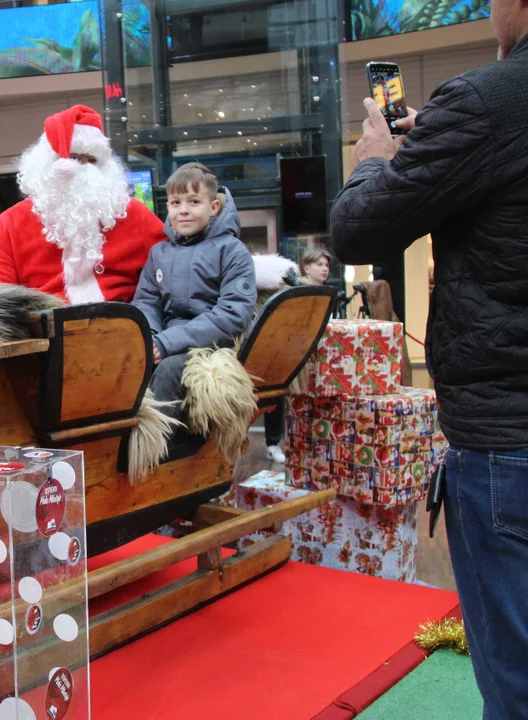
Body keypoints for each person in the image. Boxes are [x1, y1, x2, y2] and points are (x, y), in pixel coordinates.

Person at [330, 5, 528, 714]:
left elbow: (358, 227)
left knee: (516, 681)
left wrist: (376, 164)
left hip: (508, 443)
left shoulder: (487, 101)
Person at [0, 105, 165, 304]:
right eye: (73, 157)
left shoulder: (133, 214)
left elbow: (173, 263)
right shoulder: (11, 223)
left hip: (124, 326)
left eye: (91, 160)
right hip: (45, 328)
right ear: (47, 164)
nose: (83, 168)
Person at [131, 162, 257, 424]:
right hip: (163, 339)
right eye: (176, 203)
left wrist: (167, 343)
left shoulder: (232, 251)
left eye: (194, 201)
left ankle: (160, 451)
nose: (184, 211)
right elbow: (146, 302)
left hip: (213, 345)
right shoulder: (159, 253)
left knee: (168, 370)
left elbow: (232, 315)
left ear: (214, 207)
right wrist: (151, 338)